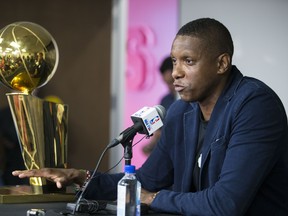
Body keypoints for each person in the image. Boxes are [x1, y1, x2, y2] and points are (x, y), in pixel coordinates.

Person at [12, 18, 288, 215]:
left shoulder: (254, 106)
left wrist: (152, 199)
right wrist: (80, 177)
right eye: (175, 60)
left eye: (188, 61)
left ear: (221, 63)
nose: (177, 72)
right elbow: (147, 180)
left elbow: (225, 204)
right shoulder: (181, 111)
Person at [142, 56, 179, 156]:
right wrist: (150, 146)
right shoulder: (165, 100)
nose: (170, 87)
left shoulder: (193, 99)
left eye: (172, 82)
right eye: (166, 83)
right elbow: (158, 131)